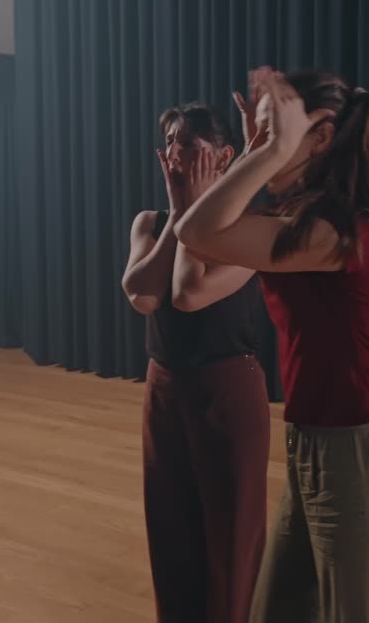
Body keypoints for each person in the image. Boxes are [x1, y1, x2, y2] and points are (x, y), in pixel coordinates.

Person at [176, 69, 369, 622]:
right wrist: (258, 150)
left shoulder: (337, 234)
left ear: (319, 137)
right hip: (311, 453)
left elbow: (199, 232)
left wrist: (263, 154)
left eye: (277, 131)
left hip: (361, 462)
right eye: (263, 132)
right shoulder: (296, 222)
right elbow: (193, 276)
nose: (266, 143)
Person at [120, 102, 270, 623]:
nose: (176, 155)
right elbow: (141, 292)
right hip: (163, 389)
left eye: (189, 144)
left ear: (225, 157)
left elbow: (189, 293)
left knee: (231, 539)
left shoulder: (250, 226)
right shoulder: (150, 222)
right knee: (170, 527)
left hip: (227, 390)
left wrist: (195, 209)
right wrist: (179, 213)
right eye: (170, 142)